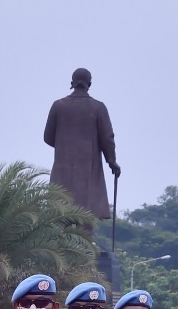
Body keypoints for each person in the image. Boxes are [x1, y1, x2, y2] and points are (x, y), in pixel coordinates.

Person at [43, 68, 120, 223]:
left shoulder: (58, 106)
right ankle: (84, 247)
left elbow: (48, 137)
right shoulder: (98, 107)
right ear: (89, 84)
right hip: (88, 170)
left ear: (72, 82)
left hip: (62, 169)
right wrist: (112, 162)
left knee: (60, 216)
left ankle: (60, 247)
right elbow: (108, 139)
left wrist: (64, 149)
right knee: (85, 216)